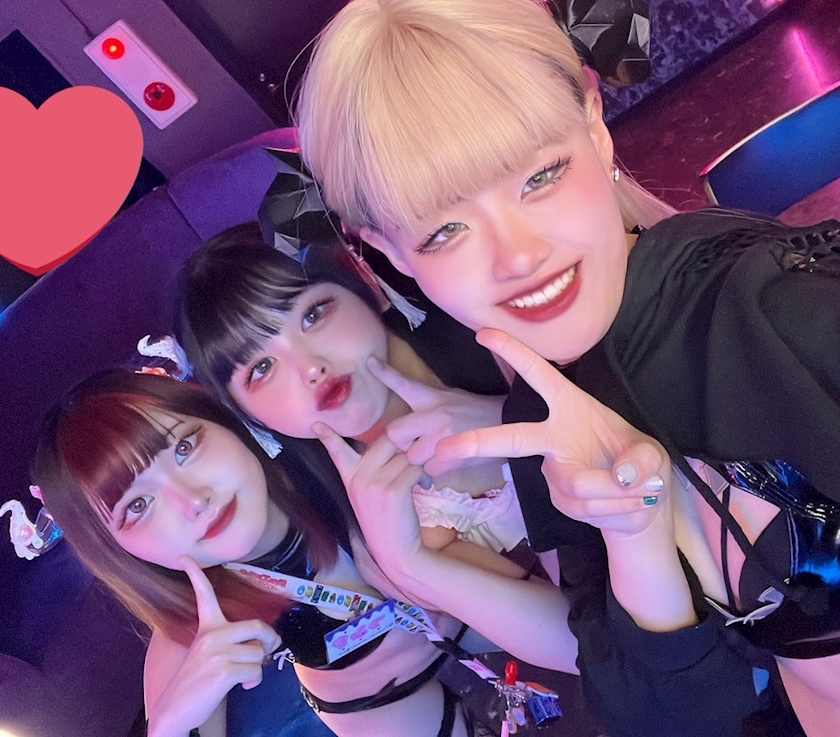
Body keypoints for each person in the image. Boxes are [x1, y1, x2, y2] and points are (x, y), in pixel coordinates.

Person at [294, 0, 840, 735]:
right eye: (445, 229)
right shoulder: (543, 420)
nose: (519, 256)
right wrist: (634, 533)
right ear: (390, 255)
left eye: (540, 175)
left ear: (593, 121)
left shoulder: (779, 306)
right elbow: (676, 720)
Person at [176, 220, 579, 676]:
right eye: (262, 368)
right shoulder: (378, 520)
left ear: (363, 282)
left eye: (313, 315)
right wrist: (409, 561)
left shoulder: (495, 330)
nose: (309, 368)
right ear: (250, 417)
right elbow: (582, 648)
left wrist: (510, 418)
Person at [31, 370, 481, 737]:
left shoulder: (326, 453)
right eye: (138, 506)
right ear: (119, 552)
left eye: (185, 447)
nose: (194, 500)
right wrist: (168, 726)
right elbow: (176, 711)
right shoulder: (194, 621)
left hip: (476, 617)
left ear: (222, 422)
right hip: (386, 705)